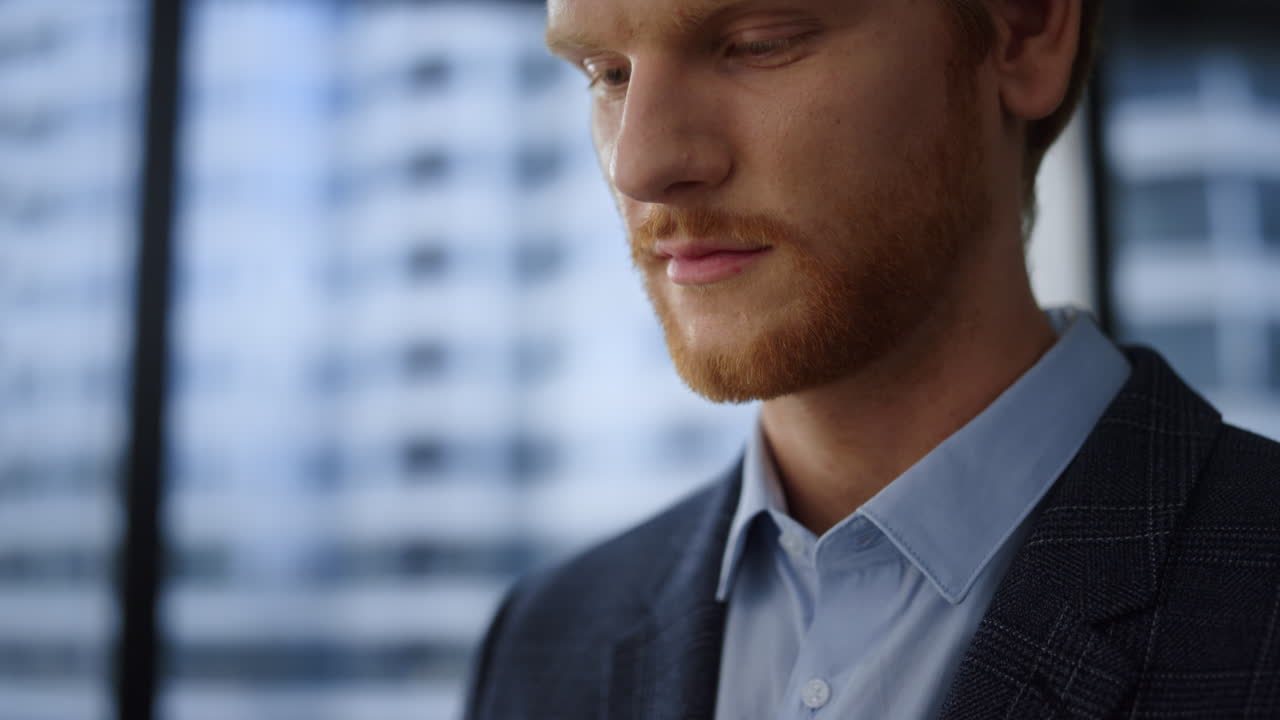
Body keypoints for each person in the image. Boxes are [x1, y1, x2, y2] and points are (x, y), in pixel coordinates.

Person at [465, 0, 1280, 717]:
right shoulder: (544, 643)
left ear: (1025, 31)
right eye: (607, 74)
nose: (638, 163)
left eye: (756, 41)